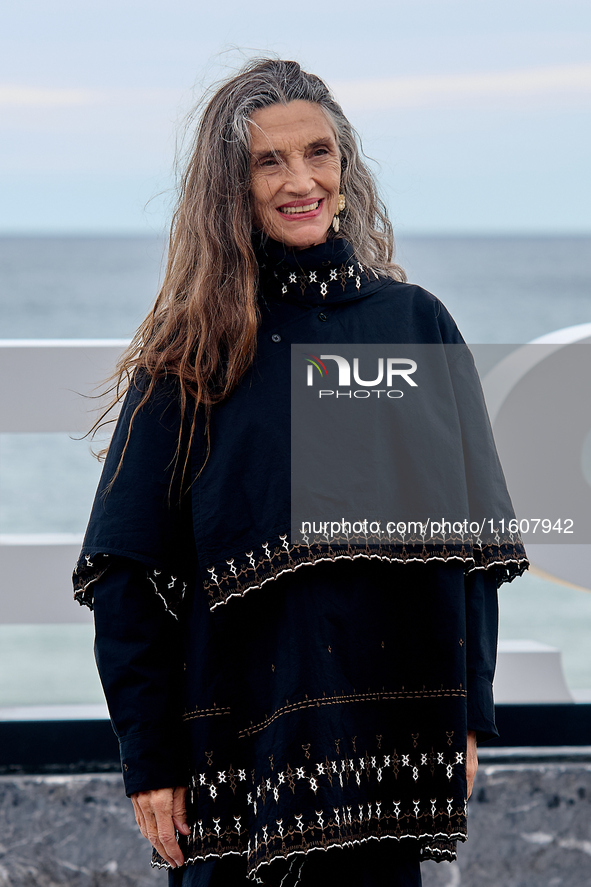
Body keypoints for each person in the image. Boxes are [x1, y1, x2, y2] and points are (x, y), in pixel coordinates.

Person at [73, 58, 528, 887]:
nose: (299, 180)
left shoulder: (414, 324)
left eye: (317, 153)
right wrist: (149, 760)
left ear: (344, 170)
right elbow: (124, 571)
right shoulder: (196, 350)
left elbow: (467, 550)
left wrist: (468, 717)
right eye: (267, 161)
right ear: (230, 190)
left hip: (386, 750)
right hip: (240, 757)